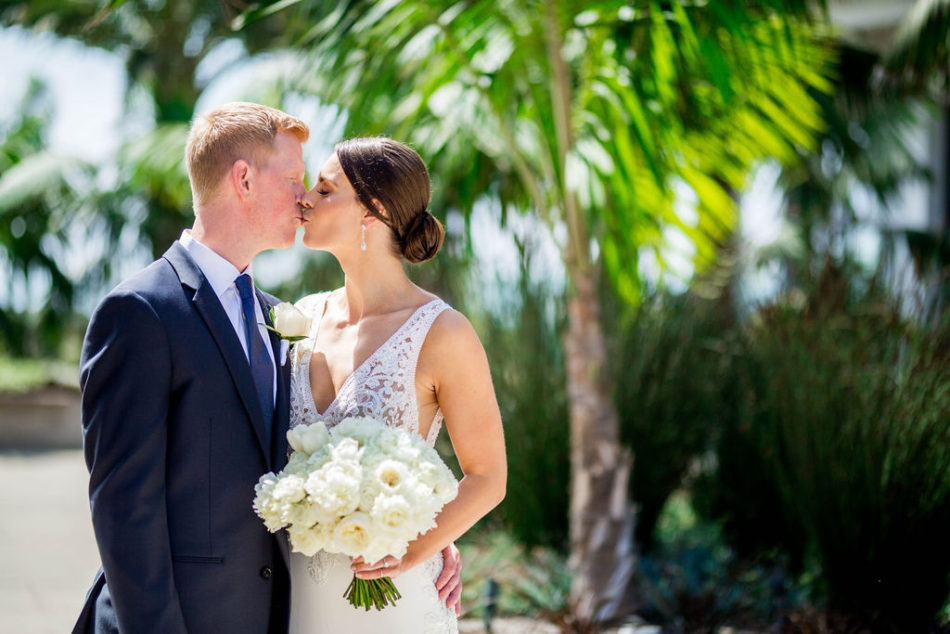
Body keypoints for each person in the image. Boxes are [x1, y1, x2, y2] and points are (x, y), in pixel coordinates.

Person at [72, 104, 463, 633]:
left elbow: (311, 450)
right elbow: (124, 512)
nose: (304, 199)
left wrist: (415, 526)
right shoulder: (140, 312)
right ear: (244, 180)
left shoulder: (281, 316)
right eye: (294, 179)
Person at [287, 137, 507, 633]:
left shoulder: (443, 332)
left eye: (324, 190)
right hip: (298, 599)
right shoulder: (300, 317)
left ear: (373, 211)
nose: (305, 198)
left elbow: (488, 476)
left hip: (393, 602)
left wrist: (417, 548)